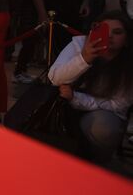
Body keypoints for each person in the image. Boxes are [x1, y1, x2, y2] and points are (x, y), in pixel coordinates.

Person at [49, 10, 133, 165]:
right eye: (104, 30)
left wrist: (77, 98)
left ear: (127, 39)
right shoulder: (80, 44)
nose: (109, 36)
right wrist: (84, 59)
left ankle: (96, 168)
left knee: (103, 128)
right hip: (65, 106)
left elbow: (118, 104)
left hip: (103, 112)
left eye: (117, 32)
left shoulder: (128, 64)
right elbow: (55, 78)